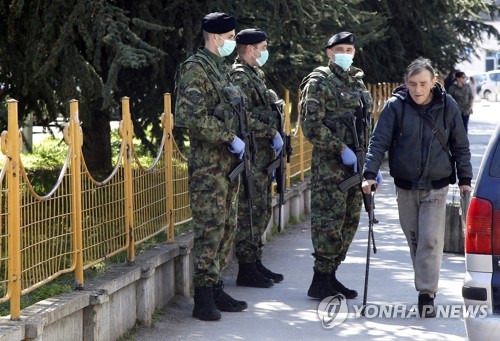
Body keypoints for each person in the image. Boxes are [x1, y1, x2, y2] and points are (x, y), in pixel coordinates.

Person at [361, 57, 472, 318]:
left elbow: (460, 145)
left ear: (434, 82)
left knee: (431, 240)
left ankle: (426, 294)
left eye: (423, 83)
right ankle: (425, 285)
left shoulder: (448, 106)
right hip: (406, 186)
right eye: (412, 84)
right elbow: (378, 142)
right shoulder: (395, 107)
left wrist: (465, 180)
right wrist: (369, 173)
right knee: (415, 241)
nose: (418, 89)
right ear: (405, 83)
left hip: (437, 186)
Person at [174, 12, 247, 321]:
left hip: (229, 165)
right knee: (210, 229)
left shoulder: (223, 70)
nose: (233, 42)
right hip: (209, 168)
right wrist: (228, 137)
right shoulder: (195, 69)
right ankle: (202, 297)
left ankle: (216, 287)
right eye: (230, 37)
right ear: (215, 38)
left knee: (227, 225)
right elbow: (189, 117)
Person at [300, 31, 380, 300]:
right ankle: (320, 279)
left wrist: (369, 162)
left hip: (355, 166)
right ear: (329, 52)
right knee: (328, 223)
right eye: (340, 49)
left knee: (349, 221)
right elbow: (311, 126)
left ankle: (331, 275)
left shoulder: (358, 83)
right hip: (330, 169)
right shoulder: (319, 82)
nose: (345, 54)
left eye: (349, 49)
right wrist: (341, 149)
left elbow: (365, 126)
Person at [229, 28, 285, 288]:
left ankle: (255, 260)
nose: (265, 50)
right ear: (251, 49)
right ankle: (246, 268)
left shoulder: (255, 75)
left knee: (262, 209)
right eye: (263, 46)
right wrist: (270, 130)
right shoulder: (239, 77)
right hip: (250, 156)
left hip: (262, 156)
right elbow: (242, 119)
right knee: (250, 210)